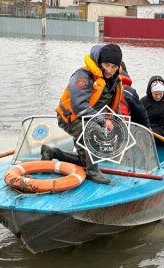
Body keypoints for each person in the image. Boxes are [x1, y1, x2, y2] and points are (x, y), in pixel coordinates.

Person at [41, 43, 123, 184]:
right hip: (70, 117)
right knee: (96, 132)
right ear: (99, 62)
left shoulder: (114, 80)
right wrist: (103, 122)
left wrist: (118, 122)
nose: (110, 70)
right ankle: (92, 172)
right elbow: (79, 106)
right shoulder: (83, 75)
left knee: (83, 160)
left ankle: (52, 152)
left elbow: (113, 106)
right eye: (107, 65)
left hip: (89, 119)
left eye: (114, 67)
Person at [119, 62, 150, 128]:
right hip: (123, 127)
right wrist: (147, 128)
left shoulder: (103, 88)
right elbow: (141, 114)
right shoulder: (130, 91)